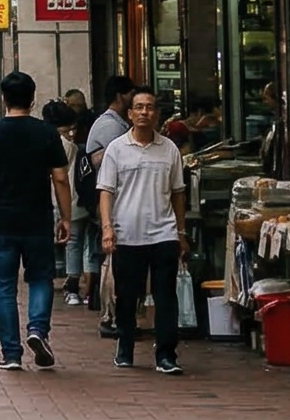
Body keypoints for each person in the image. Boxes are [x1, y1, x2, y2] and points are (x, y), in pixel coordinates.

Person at [0, 72, 73, 371]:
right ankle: (37, 329)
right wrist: (65, 217)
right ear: (33, 98)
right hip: (38, 217)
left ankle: (11, 354)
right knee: (40, 278)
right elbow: (61, 178)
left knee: (3, 287)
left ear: (4, 98)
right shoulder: (47, 133)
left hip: (0, 219)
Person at [99, 87, 189, 375]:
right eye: (138, 107)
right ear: (130, 114)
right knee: (127, 296)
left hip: (163, 233)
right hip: (127, 233)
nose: (144, 113)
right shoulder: (116, 148)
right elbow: (106, 192)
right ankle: (125, 347)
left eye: (149, 108)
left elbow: (178, 193)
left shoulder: (169, 150)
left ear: (157, 114)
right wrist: (107, 228)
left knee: (165, 296)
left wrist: (181, 231)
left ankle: (166, 354)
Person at [83, 76, 135, 335]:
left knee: (109, 259)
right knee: (113, 261)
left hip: (113, 202)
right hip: (112, 203)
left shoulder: (113, 124)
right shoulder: (111, 128)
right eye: (132, 96)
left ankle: (110, 312)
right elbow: (110, 173)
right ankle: (111, 315)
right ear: (120, 96)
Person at [61, 101, 98, 305]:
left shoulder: (61, 145)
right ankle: (91, 291)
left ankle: (73, 288)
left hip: (68, 201)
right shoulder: (78, 148)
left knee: (74, 244)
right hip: (84, 201)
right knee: (88, 244)